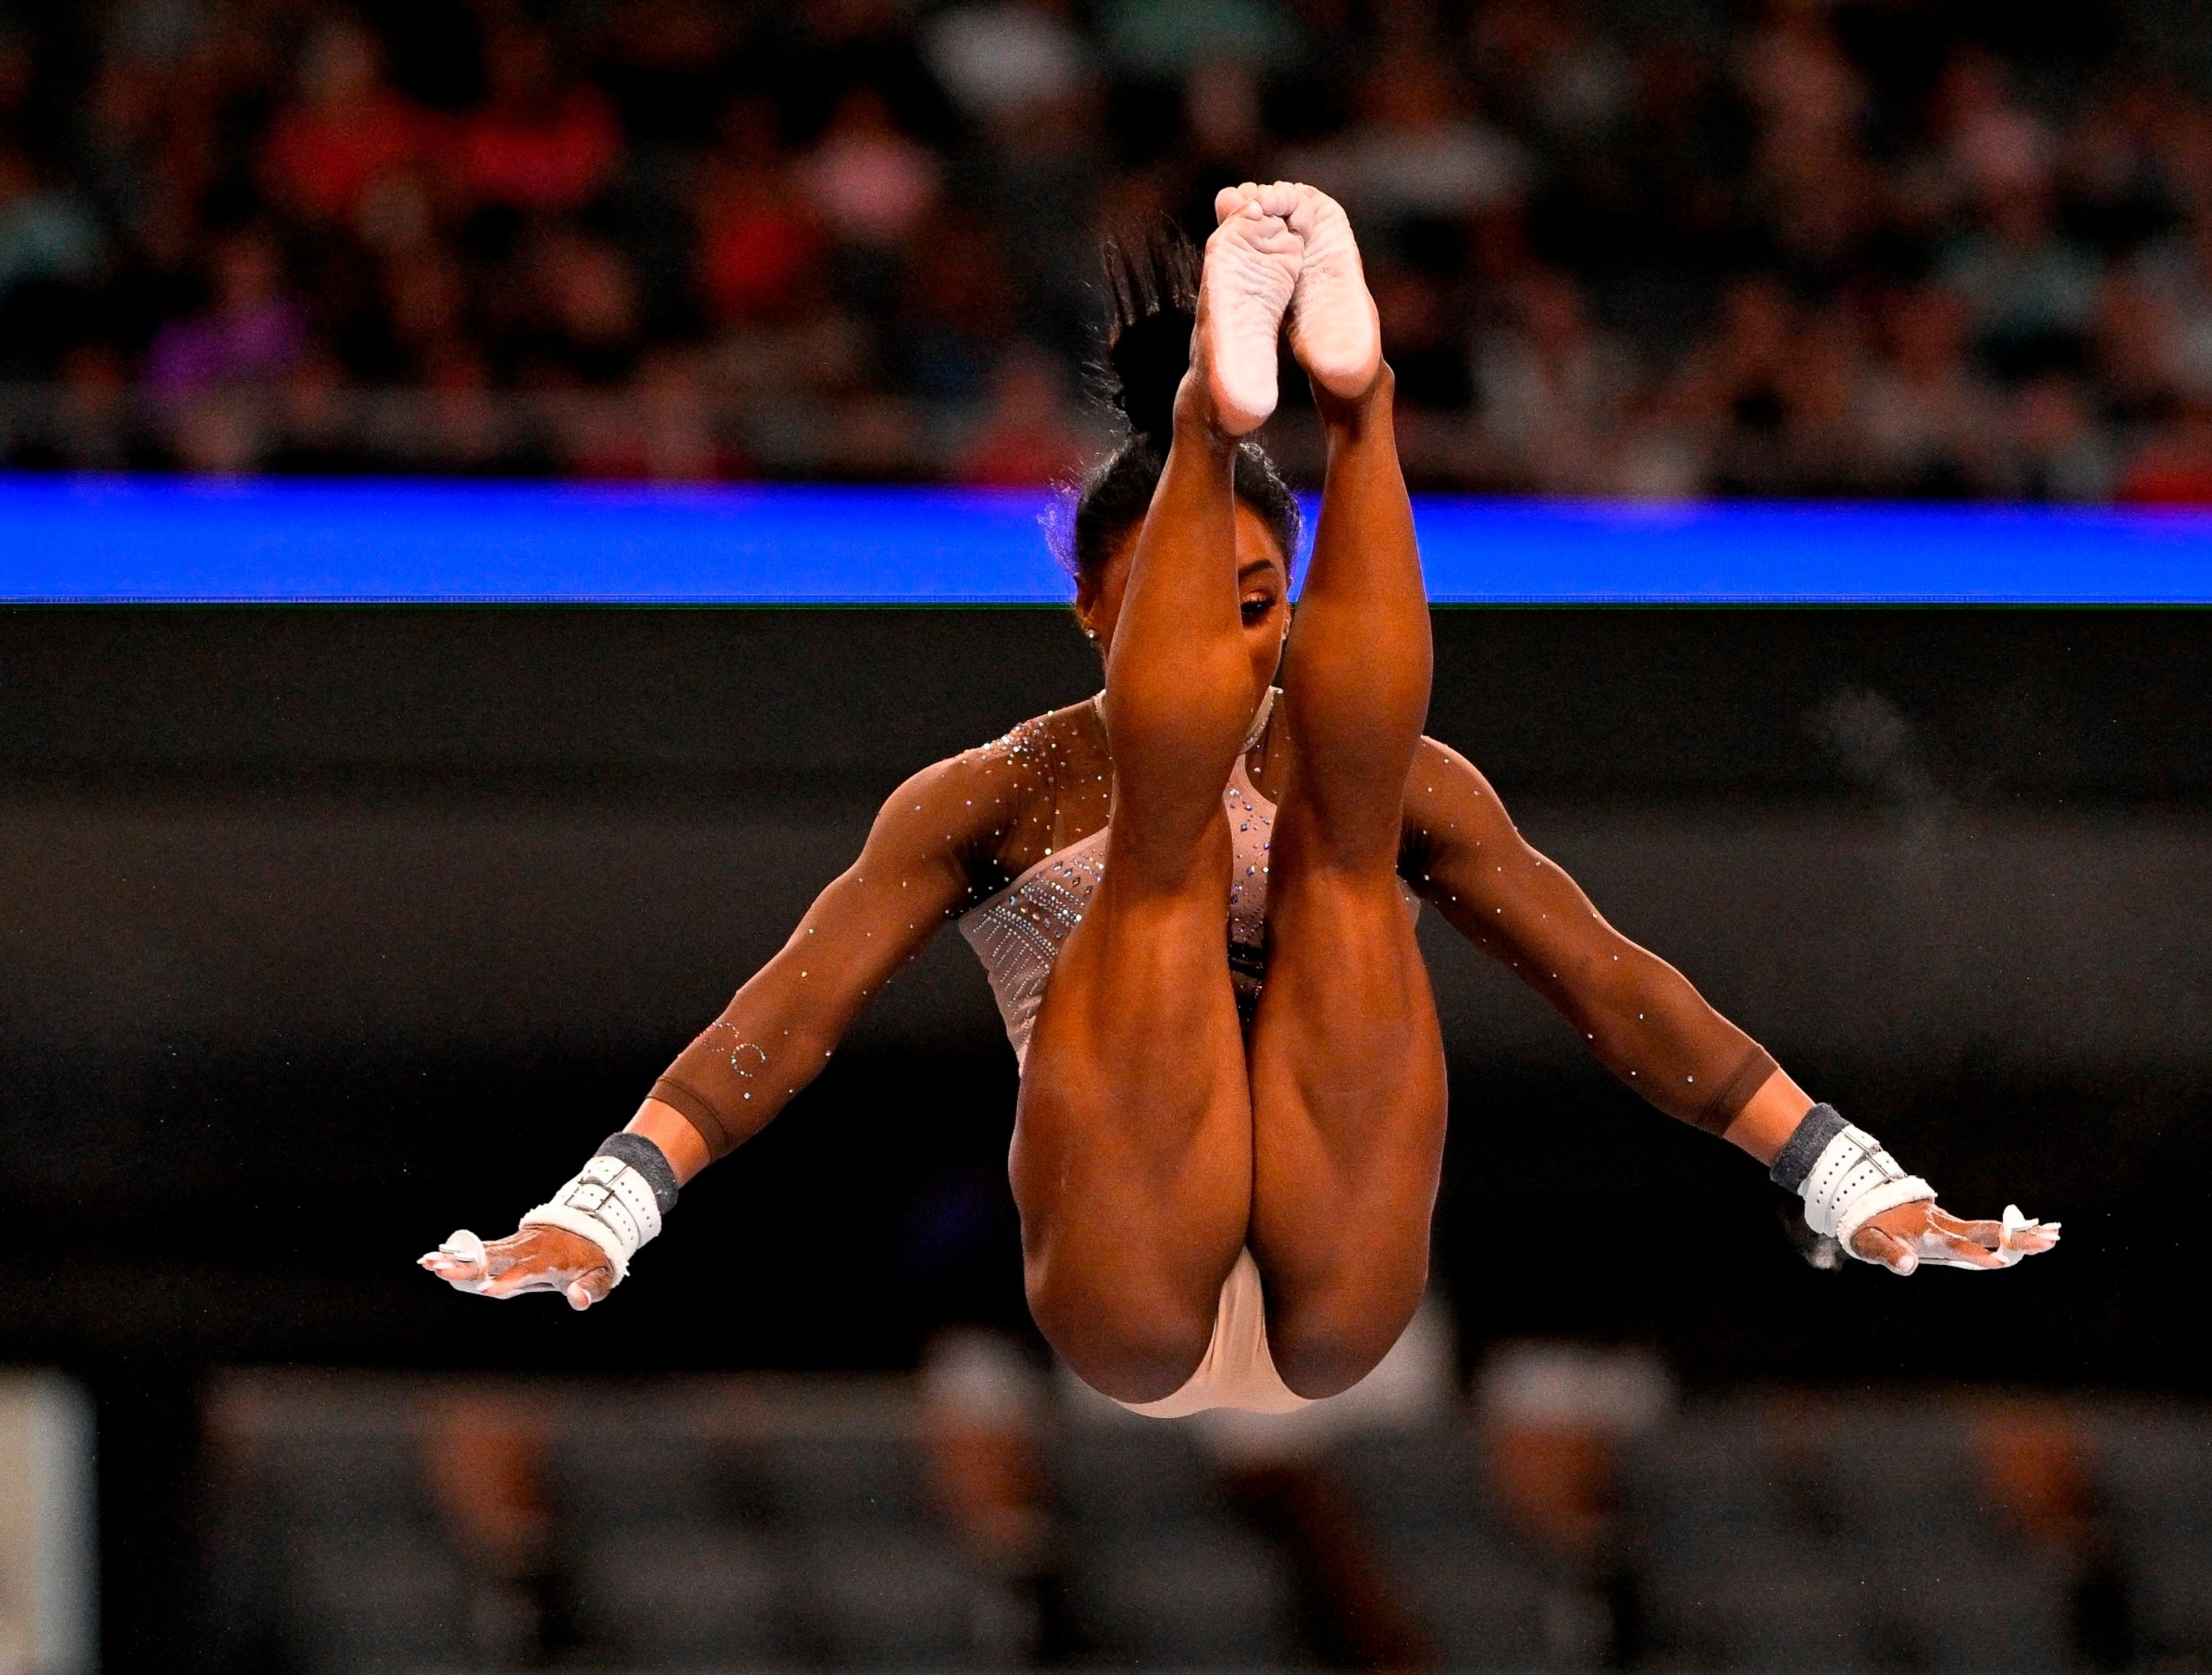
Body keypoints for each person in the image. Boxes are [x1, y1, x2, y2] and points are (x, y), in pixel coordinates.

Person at [422, 183, 2056, 1416]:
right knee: (1170, 835)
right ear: (1093, 615)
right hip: (1131, 1244)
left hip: (1334, 1240)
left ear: (1301, 597)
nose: (1234, 631)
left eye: (1260, 598)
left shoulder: (1377, 776)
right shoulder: (988, 794)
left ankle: (1350, 405)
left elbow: (1611, 982)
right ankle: (1288, 408)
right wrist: (606, 1206)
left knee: (1345, 842)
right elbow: (790, 1011)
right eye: (1188, 604)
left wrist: (1847, 1173)